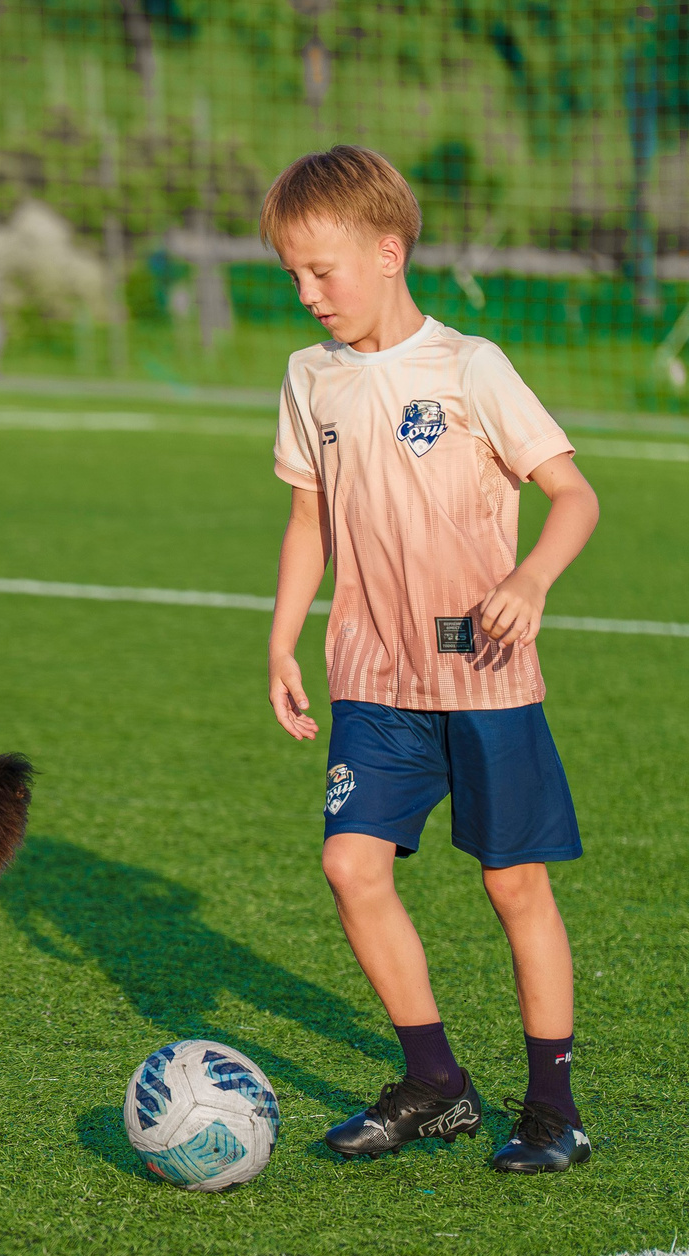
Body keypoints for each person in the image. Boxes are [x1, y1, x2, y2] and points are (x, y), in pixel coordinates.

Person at [261, 145, 602, 1174]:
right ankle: (435, 1085)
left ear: (388, 251)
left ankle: (552, 1109)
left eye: (322, 271)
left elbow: (573, 496)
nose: (306, 293)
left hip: (482, 673)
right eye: (291, 275)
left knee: (513, 886)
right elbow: (306, 518)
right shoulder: (307, 376)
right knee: (348, 864)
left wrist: (529, 581)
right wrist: (279, 637)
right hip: (370, 673)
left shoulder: (469, 367)